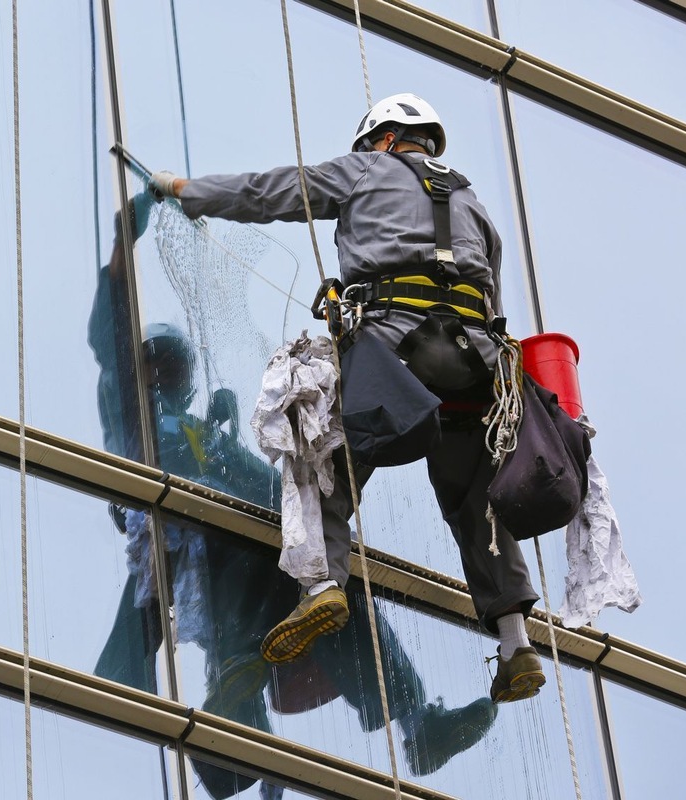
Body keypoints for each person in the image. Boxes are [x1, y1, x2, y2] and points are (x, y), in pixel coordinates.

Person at [88, 190, 497, 794]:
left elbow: (268, 489)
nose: (170, 374)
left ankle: (415, 723)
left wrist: (321, 511)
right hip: (193, 532)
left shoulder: (206, 434)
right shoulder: (137, 413)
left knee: (334, 587)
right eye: (160, 364)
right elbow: (112, 341)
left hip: (245, 535)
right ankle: (240, 707)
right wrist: (125, 245)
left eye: (177, 366)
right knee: (232, 551)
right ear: (145, 370)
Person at [149, 93, 546, 705]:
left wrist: (184, 189)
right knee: (476, 502)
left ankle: (322, 586)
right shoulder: (476, 206)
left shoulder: (365, 169)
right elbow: (491, 293)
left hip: (393, 349)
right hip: (476, 363)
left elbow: (270, 191)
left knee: (321, 458)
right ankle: (517, 642)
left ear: (384, 138)